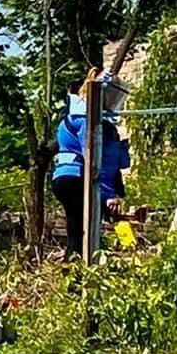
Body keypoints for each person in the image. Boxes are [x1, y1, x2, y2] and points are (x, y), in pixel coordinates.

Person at [52, 73, 131, 259]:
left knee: (76, 232)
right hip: (79, 179)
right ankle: (85, 276)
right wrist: (109, 194)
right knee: (89, 233)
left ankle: (74, 273)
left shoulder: (70, 118)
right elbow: (99, 160)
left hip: (62, 178)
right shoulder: (90, 121)